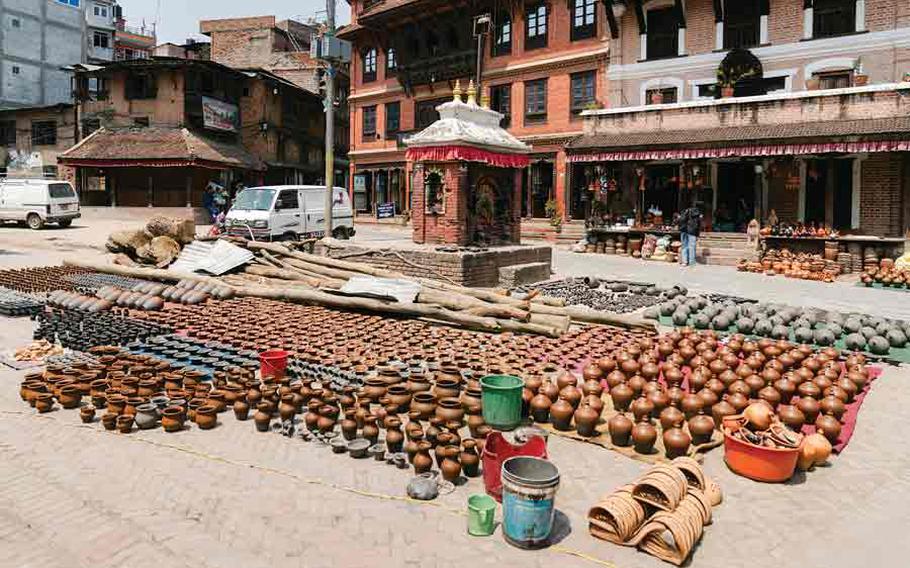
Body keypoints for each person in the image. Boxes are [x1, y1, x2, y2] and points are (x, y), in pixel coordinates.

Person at [678, 201, 703, 267]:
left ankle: (684, 262)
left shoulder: (683, 212)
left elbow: (680, 221)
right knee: (692, 246)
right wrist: (697, 234)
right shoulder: (696, 214)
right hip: (692, 231)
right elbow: (698, 225)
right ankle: (692, 262)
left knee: (684, 246)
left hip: (683, 230)